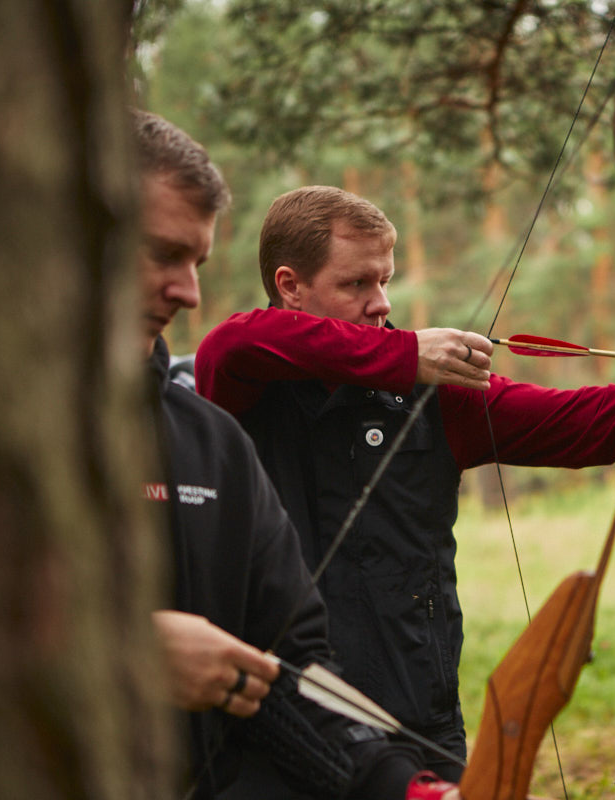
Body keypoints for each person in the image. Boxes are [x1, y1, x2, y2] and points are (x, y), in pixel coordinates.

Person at [193, 185, 615, 778]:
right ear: (290, 286)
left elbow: (593, 418)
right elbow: (233, 343)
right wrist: (403, 353)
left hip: (412, 710)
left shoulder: (436, 400)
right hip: (275, 716)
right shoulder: (244, 391)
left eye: (386, 280)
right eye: (357, 284)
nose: (382, 303)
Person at [132, 113, 469, 800]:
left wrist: (406, 789)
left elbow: (291, 666)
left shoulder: (211, 442)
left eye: (195, 262)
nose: (188, 291)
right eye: (160, 254)